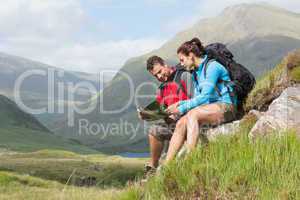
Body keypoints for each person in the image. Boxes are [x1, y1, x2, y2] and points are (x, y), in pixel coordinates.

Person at [165, 38, 238, 163]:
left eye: (182, 60)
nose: (181, 64)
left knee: (192, 114)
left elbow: (205, 96)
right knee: (181, 122)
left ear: (191, 56)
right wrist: (179, 104)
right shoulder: (196, 73)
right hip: (211, 107)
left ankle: (190, 159)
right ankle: (167, 165)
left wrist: (181, 109)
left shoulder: (212, 67)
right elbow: (198, 98)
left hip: (227, 106)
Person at [138, 55, 193, 174]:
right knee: (154, 130)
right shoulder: (162, 88)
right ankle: (153, 167)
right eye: (155, 75)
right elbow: (160, 108)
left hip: (190, 122)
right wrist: (147, 115)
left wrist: (179, 110)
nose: (159, 76)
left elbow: (197, 99)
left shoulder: (184, 76)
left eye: (160, 71)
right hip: (174, 125)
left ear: (165, 64)